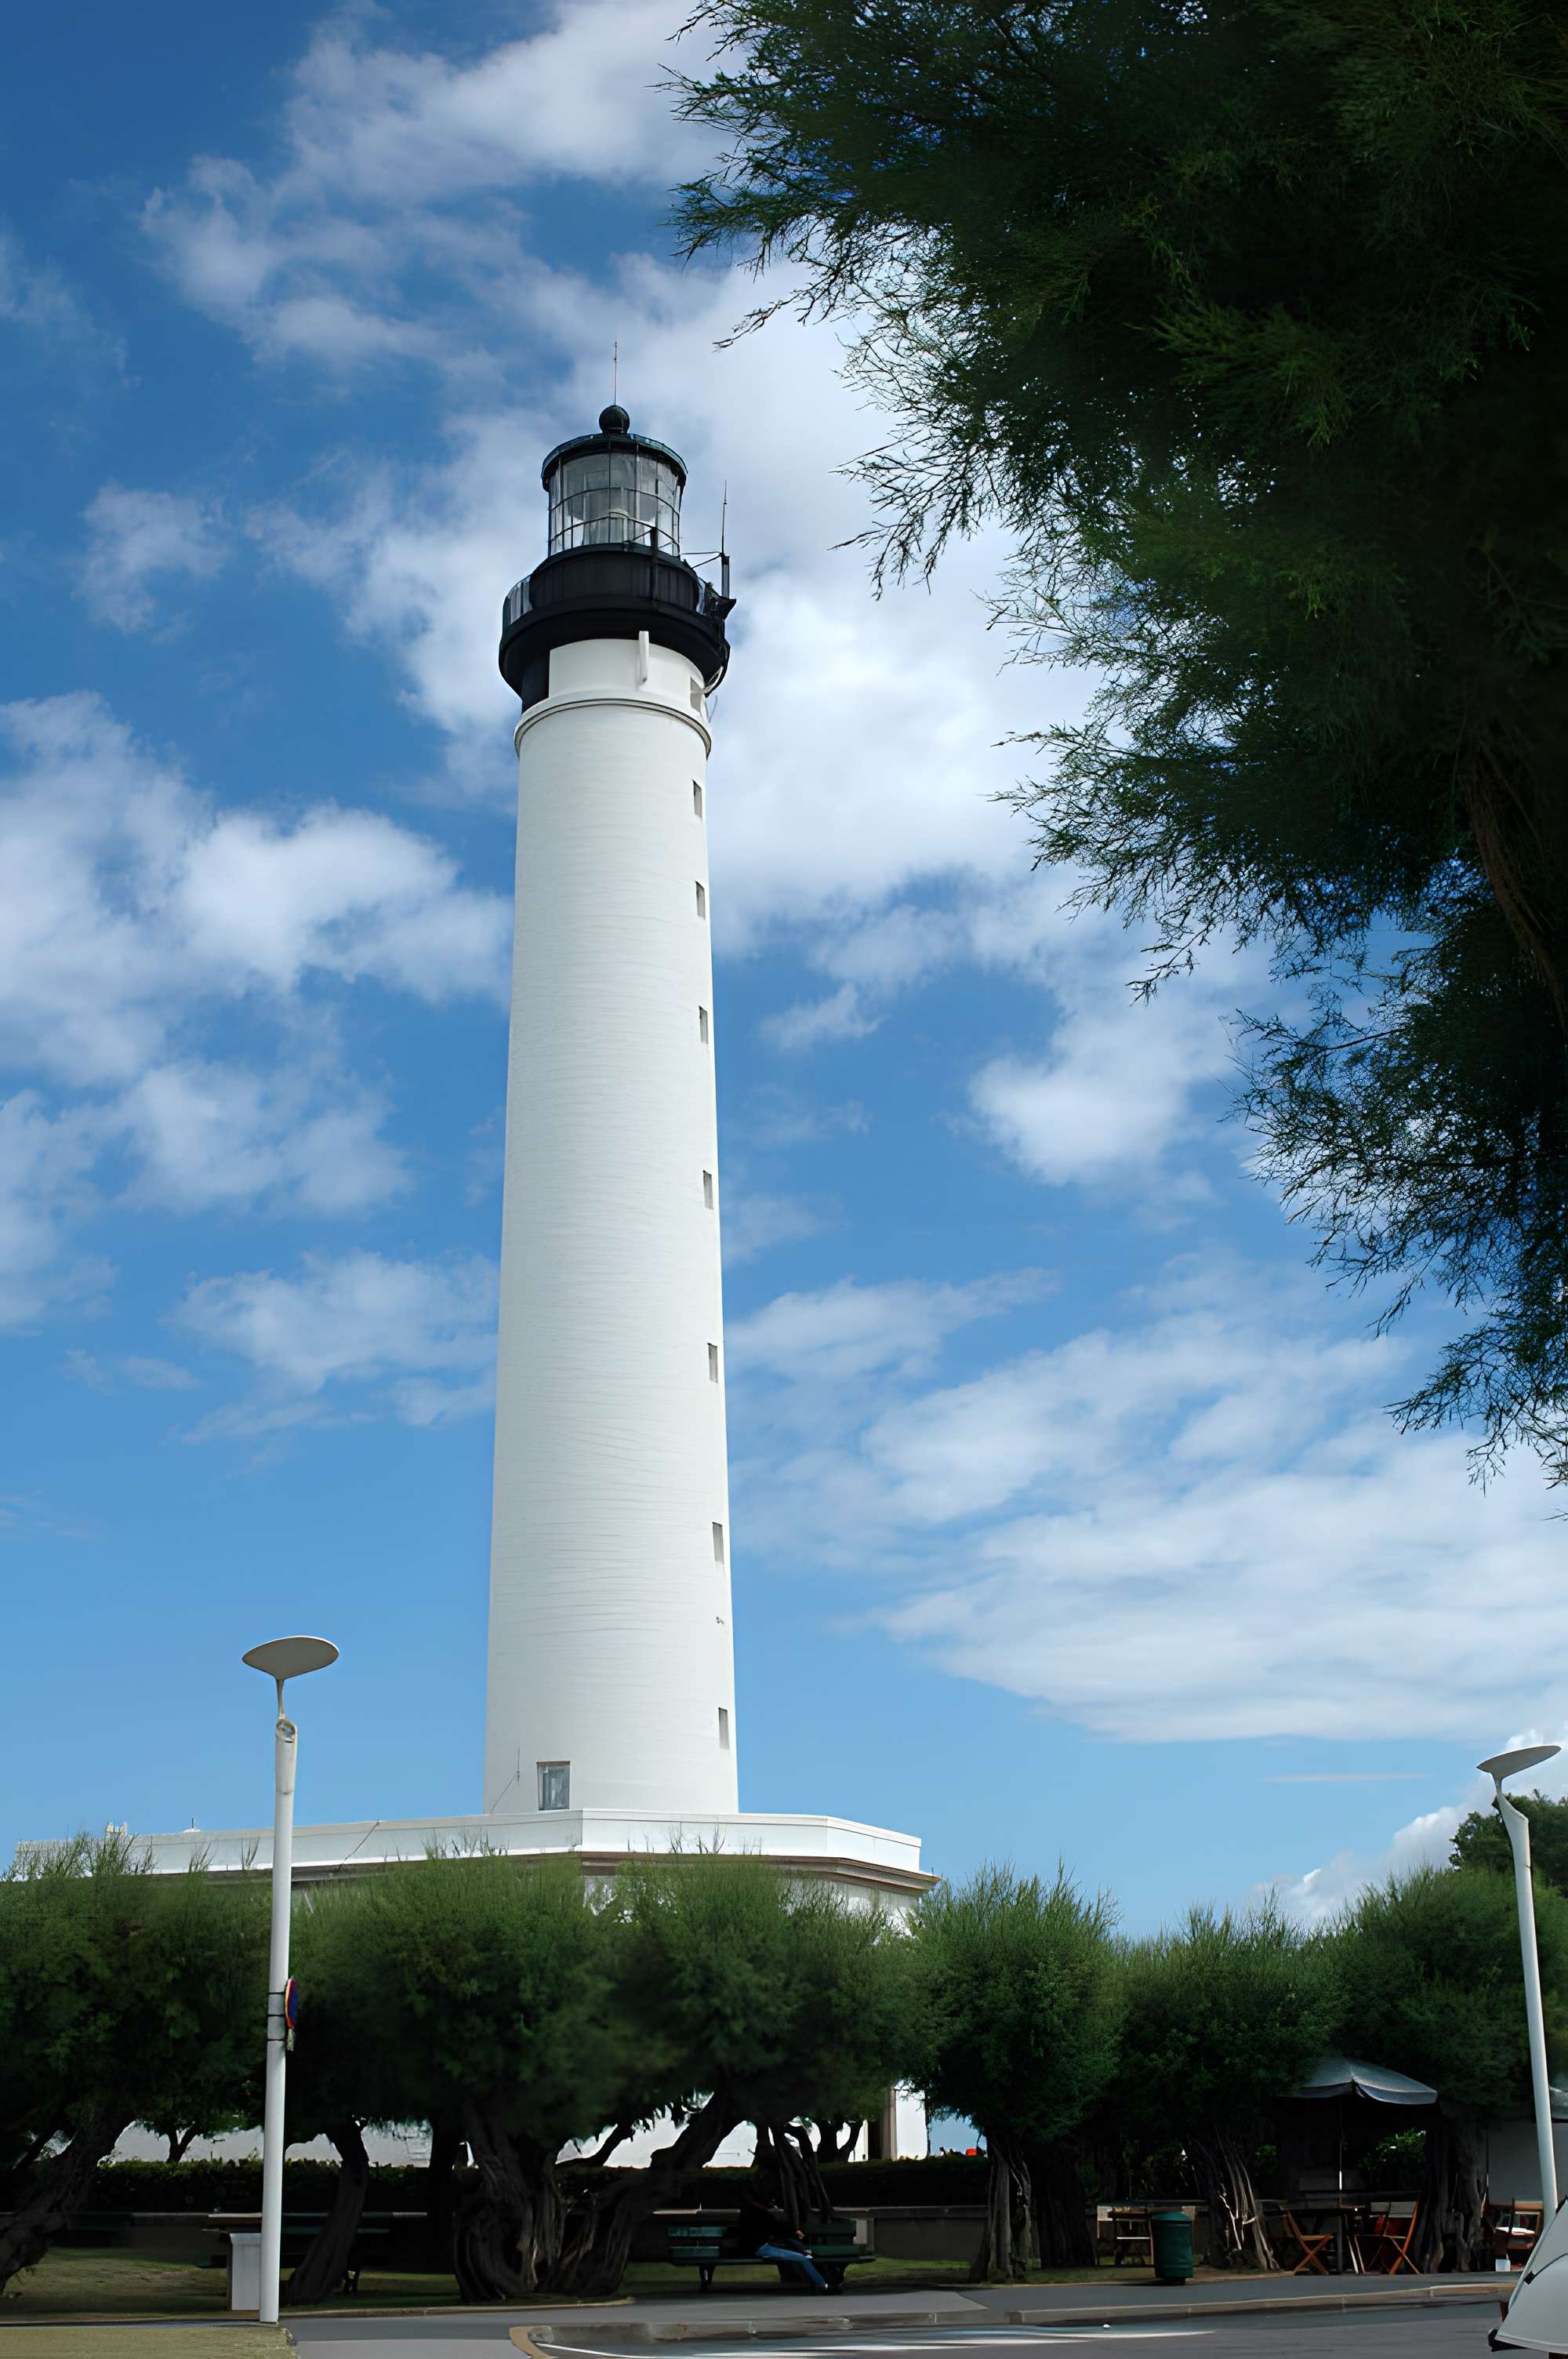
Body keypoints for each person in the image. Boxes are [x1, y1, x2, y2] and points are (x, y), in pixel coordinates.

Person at [729, 2193, 831, 2292]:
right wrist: (794, 2232)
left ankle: (818, 2280)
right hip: (762, 2248)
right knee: (803, 2258)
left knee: (799, 2252)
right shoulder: (758, 2212)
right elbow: (776, 2227)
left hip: (758, 2247)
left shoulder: (746, 2213)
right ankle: (822, 2284)